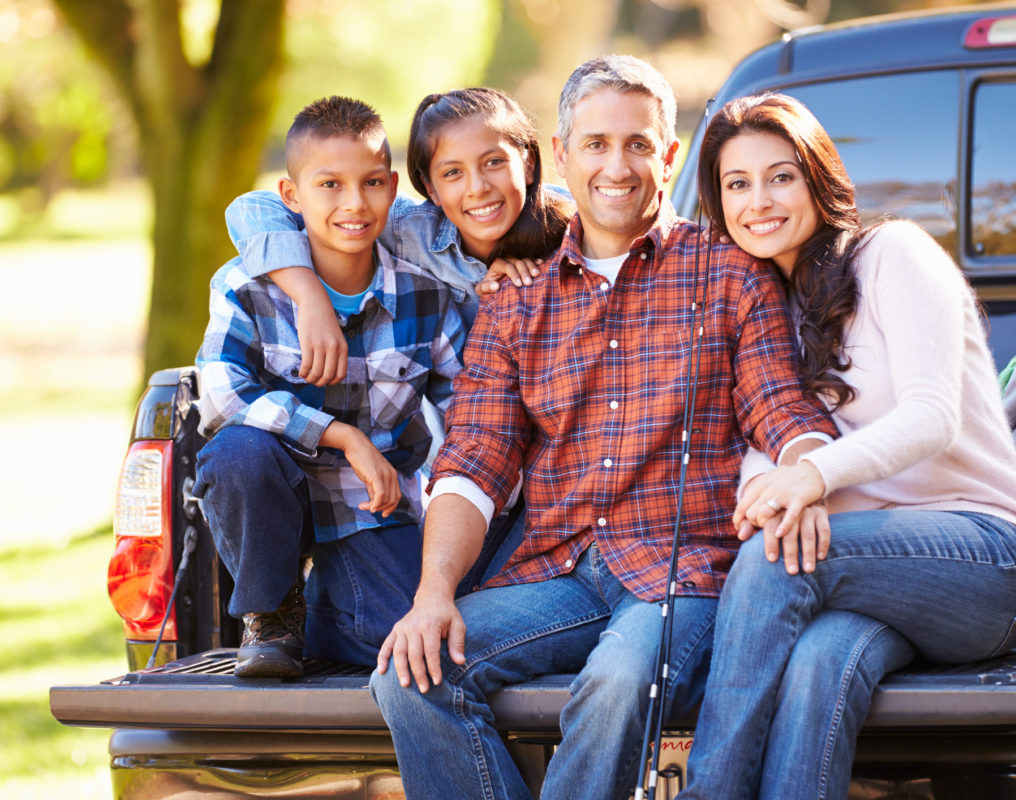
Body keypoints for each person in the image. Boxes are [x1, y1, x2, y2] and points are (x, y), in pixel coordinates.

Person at [368, 56, 838, 800]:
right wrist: (433, 595)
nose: (616, 166)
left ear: (671, 157)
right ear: (561, 155)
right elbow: (474, 460)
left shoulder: (730, 274)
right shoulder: (516, 302)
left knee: (618, 683)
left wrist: (811, 473)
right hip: (560, 573)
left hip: (682, 576)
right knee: (409, 672)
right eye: (595, 144)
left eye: (639, 145)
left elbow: (781, 405)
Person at [675, 93, 1016, 800]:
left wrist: (811, 478)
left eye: (781, 176)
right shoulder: (758, 308)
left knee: (771, 562)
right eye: (737, 183)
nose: (760, 200)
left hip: (985, 556)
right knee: (822, 659)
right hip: (860, 570)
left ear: (817, 177)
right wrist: (789, 484)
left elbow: (931, 416)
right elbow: (762, 436)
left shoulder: (893, 255)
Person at [194, 96, 466, 677]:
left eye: (370, 182)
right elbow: (220, 393)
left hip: (371, 507)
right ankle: (272, 612)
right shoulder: (249, 286)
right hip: (275, 491)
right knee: (238, 450)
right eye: (329, 185)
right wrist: (343, 436)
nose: (353, 203)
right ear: (292, 197)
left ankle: (324, 614)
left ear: (393, 188)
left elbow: (470, 409)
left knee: (412, 648)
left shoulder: (425, 295)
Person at [225, 87, 573, 386]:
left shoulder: (573, 225)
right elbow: (251, 209)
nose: (478, 188)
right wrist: (310, 298)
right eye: (453, 172)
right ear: (430, 188)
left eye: (494, 162)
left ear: (527, 163)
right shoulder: (406, 231)